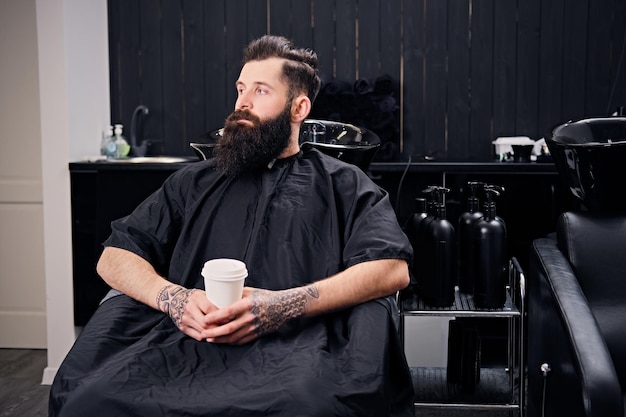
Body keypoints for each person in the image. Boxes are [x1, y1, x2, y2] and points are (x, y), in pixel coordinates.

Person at [50, 35, 414, 416]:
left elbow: (391, 269)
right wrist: (176, 300)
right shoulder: (192, 182)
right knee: (91, 401)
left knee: (309, 406)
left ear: (299, 107)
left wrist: (281, 305)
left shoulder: (345, 184)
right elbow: (114, 257)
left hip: (298, 345)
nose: (242, 102)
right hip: (187, 340)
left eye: (260, 90)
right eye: (241, 89)